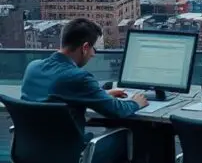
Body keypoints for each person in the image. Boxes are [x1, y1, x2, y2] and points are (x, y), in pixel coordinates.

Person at [20, 18, 148, 163]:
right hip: (69, 154)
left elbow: (56, 95)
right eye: (94, 48)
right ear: (85, 47)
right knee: (136, 137)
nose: (93, 54)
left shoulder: (33, 67)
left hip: (31, 151)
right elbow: (117, 110)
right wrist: (136, 102)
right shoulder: (78, 77)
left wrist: (102, 94)